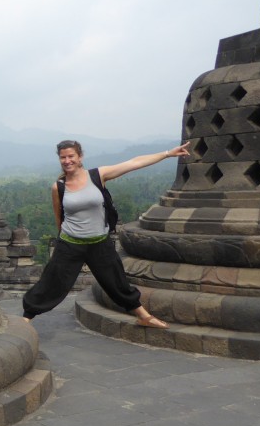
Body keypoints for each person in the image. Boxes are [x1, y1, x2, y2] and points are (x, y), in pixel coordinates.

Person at [22, 139, 190, 326]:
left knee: (116, 281)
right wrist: (63, 240)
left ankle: (144, 317)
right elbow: (59, 218)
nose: (67, 161)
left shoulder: (97, 176)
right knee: (52, 282)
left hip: (99, 242)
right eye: (63, 157)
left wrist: (167, 153)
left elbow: (133, 163)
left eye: (71, 156)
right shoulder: (58, 187)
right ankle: (25, 318)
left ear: (80, 157)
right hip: (70, 243)